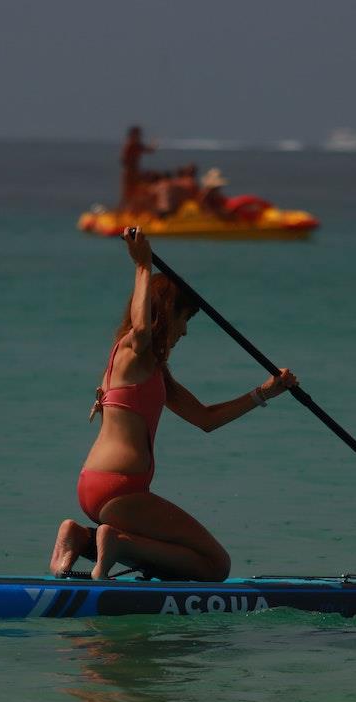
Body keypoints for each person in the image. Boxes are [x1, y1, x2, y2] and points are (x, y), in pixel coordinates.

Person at [50, 228, 299, 582]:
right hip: (119, 487)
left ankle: (81, 538)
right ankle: (117, 542)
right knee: (216, 564)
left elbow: (206, 418)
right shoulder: (133, 351)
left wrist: (265, 392)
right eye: (184, 319)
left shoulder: (153, 371)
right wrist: (142, 266)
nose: (184, 331)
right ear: (166, 313)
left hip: (98, 483)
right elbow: (142, 330)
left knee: (178, 556)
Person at [119, 126, 155, 211]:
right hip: (130, 172)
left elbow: (148, 150)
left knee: (135, 192)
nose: (139, 136)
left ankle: (133, 210)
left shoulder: (135, 145)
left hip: (133, 172)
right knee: (128, 193)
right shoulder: (131, 145)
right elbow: (124, 160)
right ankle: (122, 212)